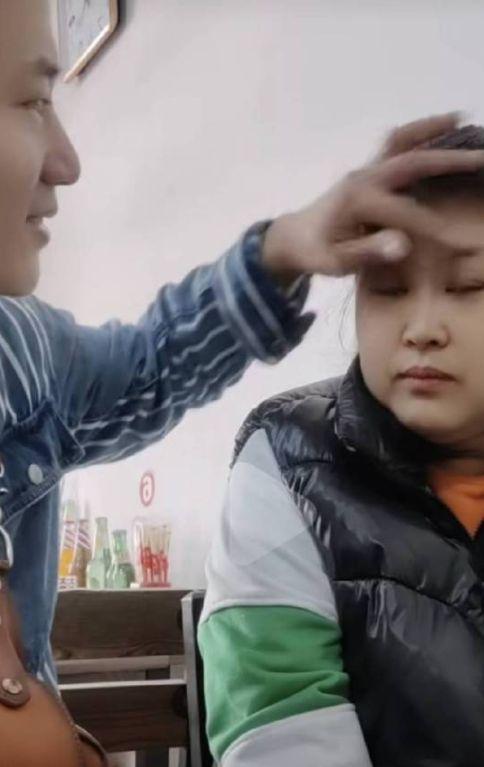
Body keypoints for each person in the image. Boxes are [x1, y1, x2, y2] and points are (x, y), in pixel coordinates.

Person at [1, 0, 483, 687]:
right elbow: (278, 709)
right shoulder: (286, 471)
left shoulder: (24, 359)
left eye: (468, 285)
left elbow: (153, 366)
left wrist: (281, 250)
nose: (68, 163)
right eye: (31, 100)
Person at [199, 124, 484, 767]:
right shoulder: (286, 460)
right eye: (388, 288)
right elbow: (276, 726)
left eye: (469, 286)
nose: (422, 329)